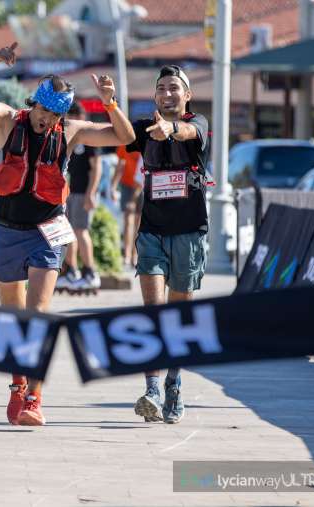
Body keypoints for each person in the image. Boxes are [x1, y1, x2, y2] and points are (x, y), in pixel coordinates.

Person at [0, 42, 135, 426]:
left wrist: (110, 102)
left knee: (37, 316)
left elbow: (122, 137)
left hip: (46, 233)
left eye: (56, 114)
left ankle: (35, 399)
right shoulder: (8, 121)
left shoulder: (70, 131)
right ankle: (17, 385)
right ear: (33, 104)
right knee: (14, 320)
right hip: (7, 231)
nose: (48, 120)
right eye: (45, 111)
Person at [126, 65, 211, 425]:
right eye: (161, 88)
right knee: (152, 314)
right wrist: (110, 103)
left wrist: (172, 129)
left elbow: (192, 131)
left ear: (186, 94)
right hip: (151, 232)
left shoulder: (198, 123)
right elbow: (113, 132)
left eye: (174, 88)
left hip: (189, 232)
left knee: (177, 318)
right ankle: (152, 389)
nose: (168, 93)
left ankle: (174, 383)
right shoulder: (144, 125)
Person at [57, 101, 102, 295]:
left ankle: (90, 272)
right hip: (72, 192)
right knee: (69, 232)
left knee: (81, 231)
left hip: (84, 192)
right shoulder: (72, 139)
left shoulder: (89, 138)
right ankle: (72, 270)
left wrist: (91, 193)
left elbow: (96, 168)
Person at [111, 144, 143, 267]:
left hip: (142, 184)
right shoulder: (125, 143)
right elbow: (120, 166)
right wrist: (113, 186)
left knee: (139, 222)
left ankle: (135, 255)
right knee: (128, 220)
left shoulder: (143, 143)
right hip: (127, 185)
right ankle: (127, 255)